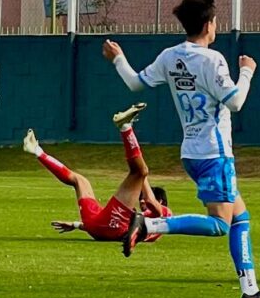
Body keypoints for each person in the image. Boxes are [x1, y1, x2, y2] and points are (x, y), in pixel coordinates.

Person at [103, 0, 260, 298]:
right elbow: (235, 102)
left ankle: (250, 290)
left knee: (241, 217)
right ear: (209, 25)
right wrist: (248, 71)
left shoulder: (171, 56)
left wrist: (117, 58)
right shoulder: (212, 60)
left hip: (191, 154)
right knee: (220, 225)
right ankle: (148, 224)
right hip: (215, 153)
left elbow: (135, 82)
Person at [25, 102, 171, 243]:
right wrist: (76, 225)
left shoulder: (165, 214)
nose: (142, 201)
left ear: (162, 202)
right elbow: (106, 225)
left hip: (110, 227)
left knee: (141, 171)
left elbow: (151, 202)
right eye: (141, 199)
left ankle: (125, 127)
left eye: (142, 200)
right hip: (97, 223)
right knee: (80, 180)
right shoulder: (147, 221)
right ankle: (37, 150)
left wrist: (142, 178)